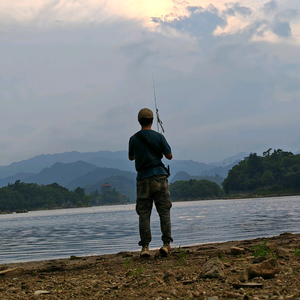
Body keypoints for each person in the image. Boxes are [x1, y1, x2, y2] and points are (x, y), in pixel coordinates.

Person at [128, 108, 173, 257]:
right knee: (164, 211)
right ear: (152, 121)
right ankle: (166, 245)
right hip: (159, 177)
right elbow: (169, 156)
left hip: (142, 179)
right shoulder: (159, 137)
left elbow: (131, 157)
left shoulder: (133, 139)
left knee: (144, 214)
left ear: (139, 121)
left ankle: (145, 248)